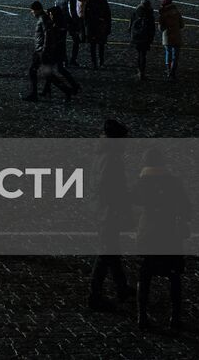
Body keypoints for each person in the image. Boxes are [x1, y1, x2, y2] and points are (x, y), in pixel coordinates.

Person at [133, 147, 191, 330]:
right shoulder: (173, 182)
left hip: (148, 235)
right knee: (174, 276)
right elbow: (187, 208)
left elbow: (132, 204)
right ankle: (175, 317)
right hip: (169, 235)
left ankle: (141, 316)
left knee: (145, 275)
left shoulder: (141, 183)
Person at [88, 119, 134, 311]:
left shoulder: (105, 155)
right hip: (108, 211)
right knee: (106, 252)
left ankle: (121, 287)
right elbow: (110, 187)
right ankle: (94, 295)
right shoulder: (111, 158)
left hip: (103, 208)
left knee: (112, 249)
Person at [83, 0, 112, 69]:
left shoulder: (89, 1)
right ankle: (101, 61)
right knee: (101, 45)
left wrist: (85, 26)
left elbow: (86, 16)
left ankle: (94, 62)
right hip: (101, 25)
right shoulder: (103, 0)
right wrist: (108, 27)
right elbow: (108, 14)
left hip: (92, 26)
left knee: (93, 46)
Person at [157, 0, 184, 81]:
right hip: (176, 36)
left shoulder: (163, 15)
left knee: (168, 53)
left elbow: (161, 28)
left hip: (167, 36)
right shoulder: (177, 13)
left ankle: (168, 70)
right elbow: (182, 25)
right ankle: (173, 72)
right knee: (175, 55)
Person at [129, 0, 155, 82]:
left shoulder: (136, 12)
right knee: (143, 55)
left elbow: (131, 24)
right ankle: (142, 72)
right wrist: (151, 38)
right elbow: (152, 28)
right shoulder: (149, 14)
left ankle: (139, 71)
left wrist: (132, 35)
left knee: (139, 54)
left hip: (137, 36)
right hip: (145, 37)